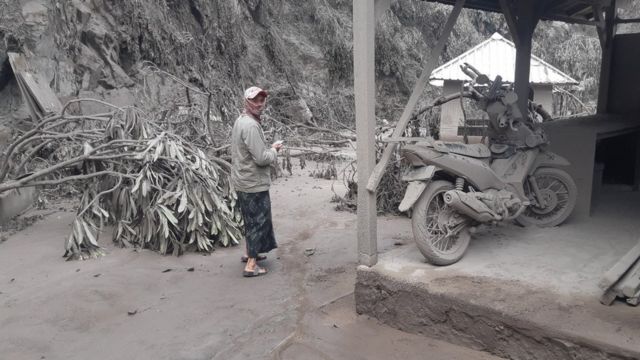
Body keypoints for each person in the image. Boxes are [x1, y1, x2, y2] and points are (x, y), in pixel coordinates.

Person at [231, 86, 283, 277]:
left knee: (249, 219)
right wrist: (274, 150)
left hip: (242, 179)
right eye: (255, 100)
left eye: (262, 100)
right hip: (253, 182)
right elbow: (261, 158)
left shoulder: (241, 120)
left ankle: (248, 253)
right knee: (258, 222)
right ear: (246, 101)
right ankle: (251, 265)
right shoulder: (251, 126)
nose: (259, 104)